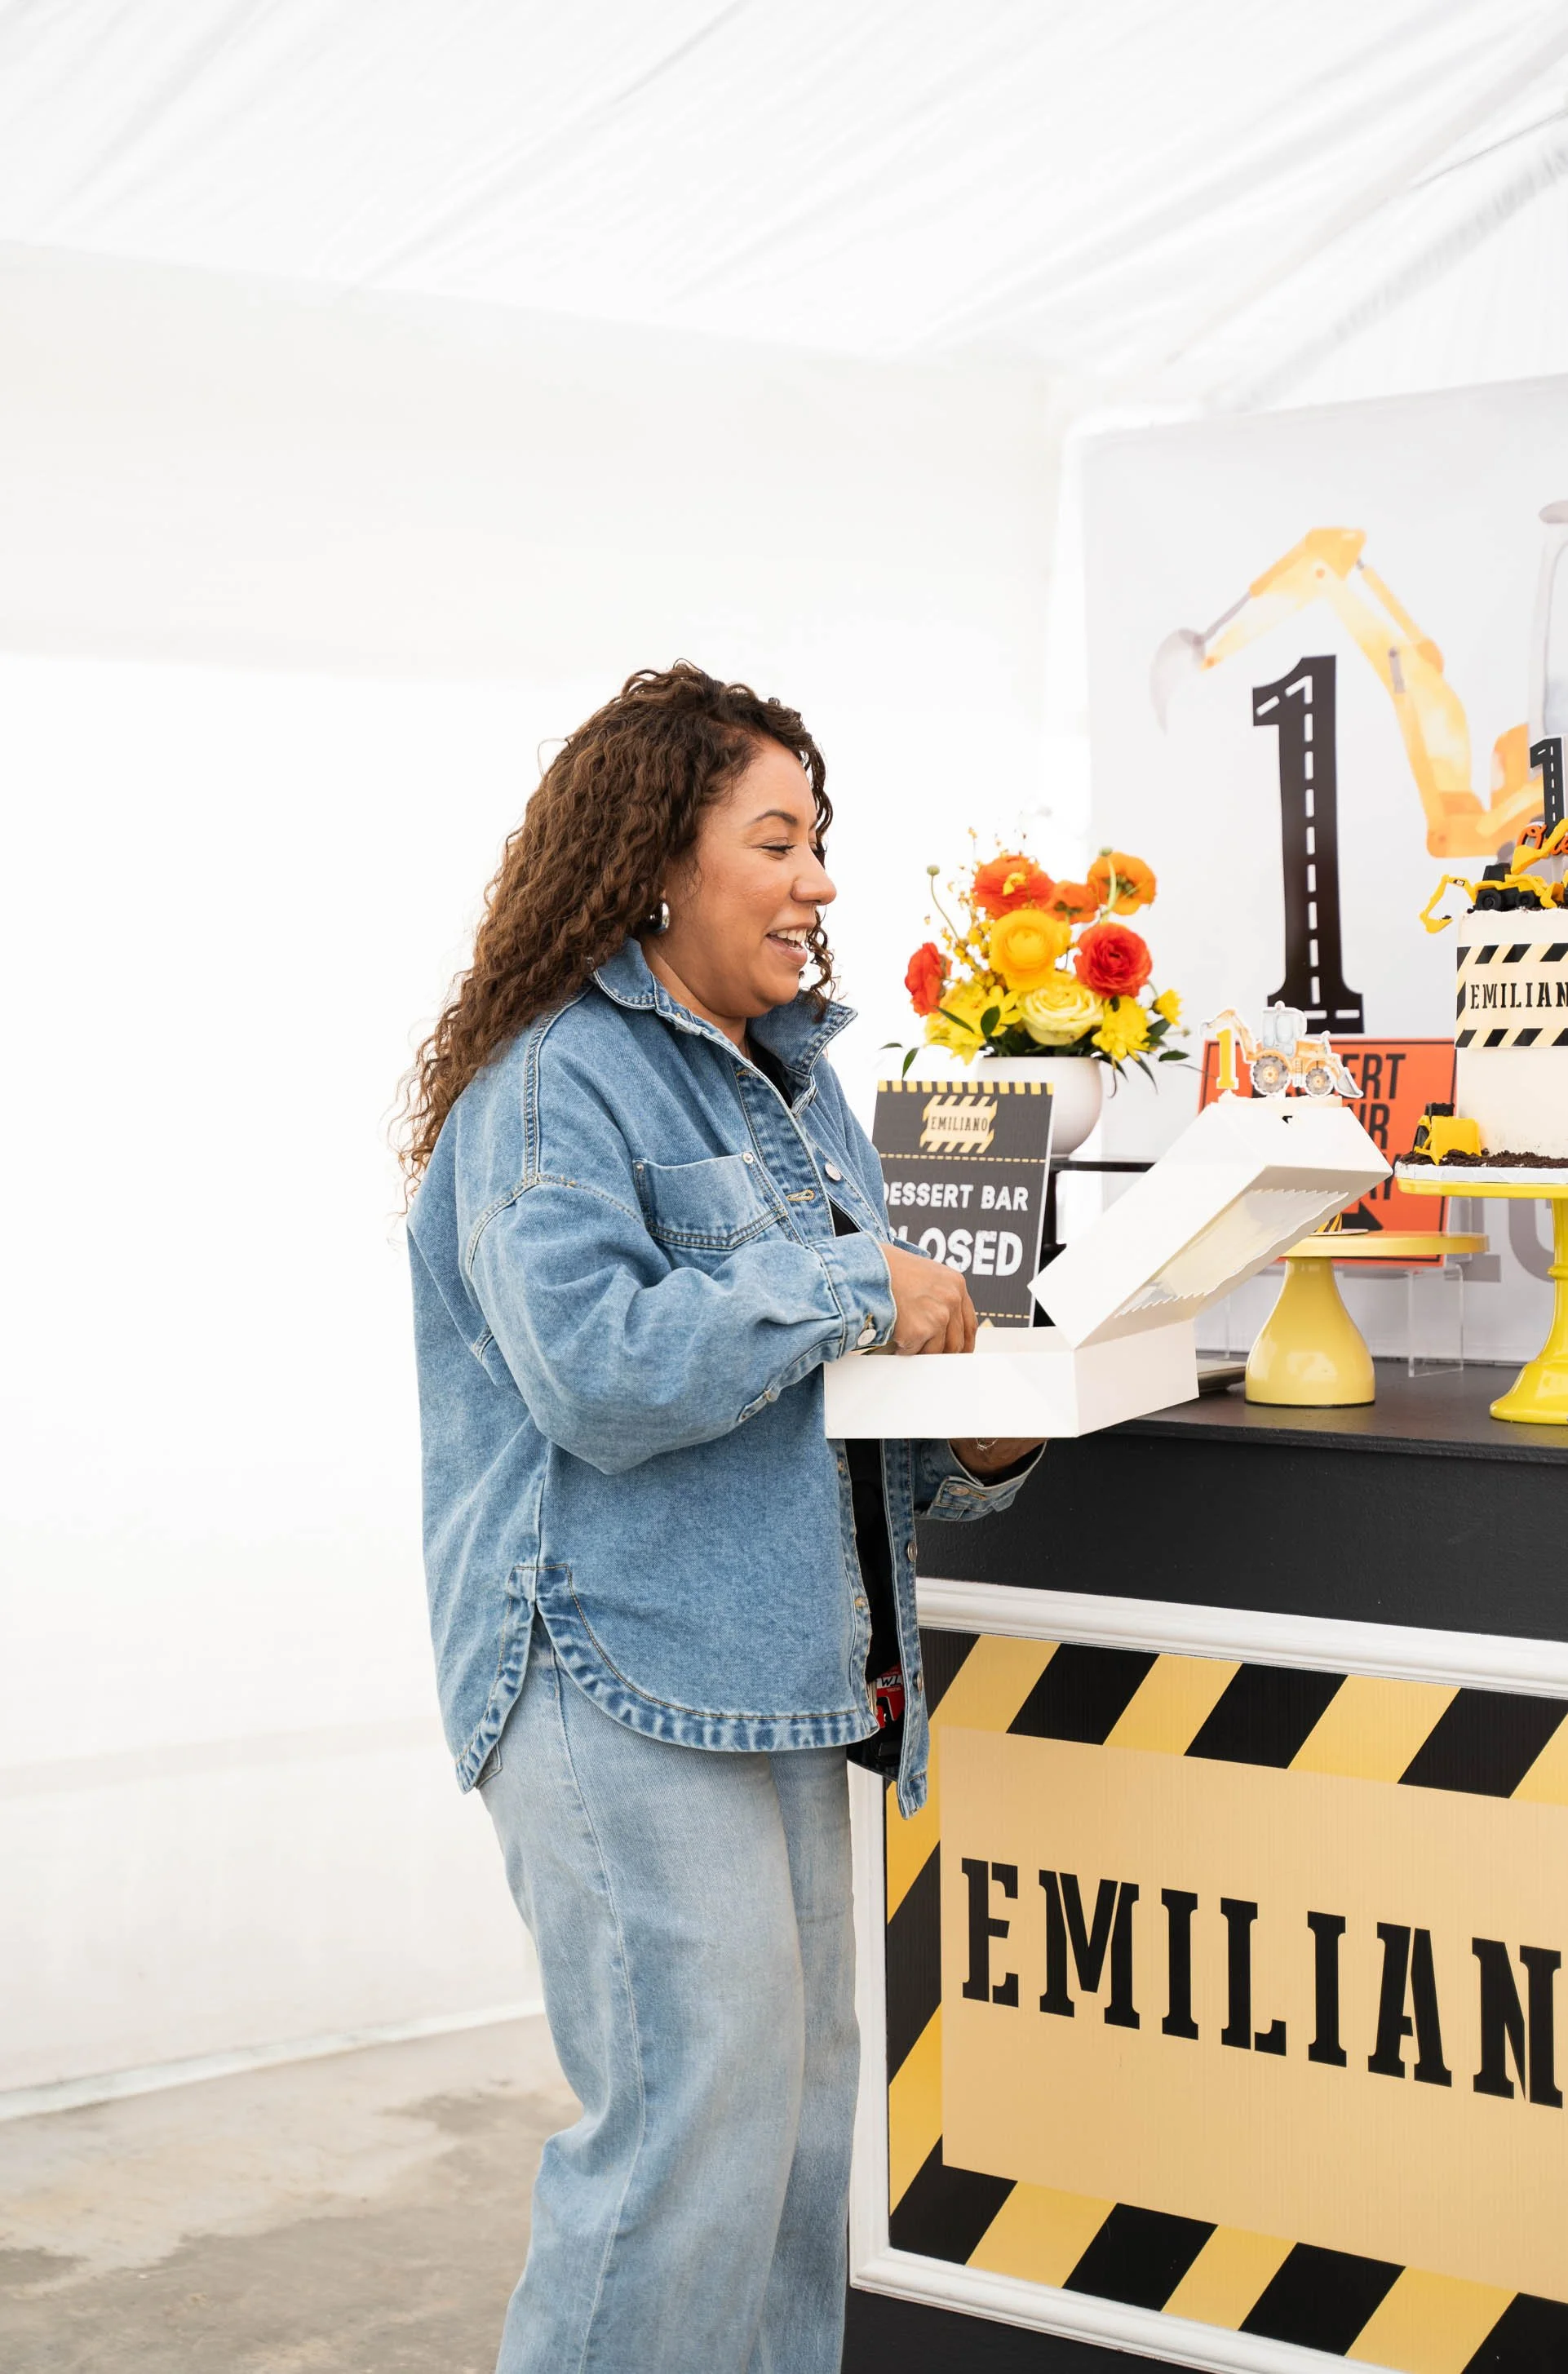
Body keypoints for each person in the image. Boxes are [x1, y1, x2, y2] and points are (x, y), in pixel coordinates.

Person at [400, 664, 1043, 2374]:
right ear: (658, 863)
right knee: (686, 2138)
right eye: (779, 839)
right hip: (605, 1665)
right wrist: (851, 1282)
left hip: (776, 1666)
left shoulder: (799, 1089)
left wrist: (966, 1446)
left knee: (786, 2142)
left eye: (820, 839)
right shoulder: (553, 1090)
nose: (821, 879)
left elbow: (812, 1415)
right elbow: (597, 1375)